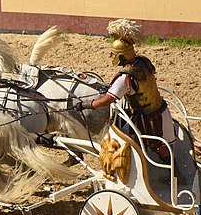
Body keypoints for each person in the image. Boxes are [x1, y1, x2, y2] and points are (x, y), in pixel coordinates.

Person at [75, 18, 176, 162]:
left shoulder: (125, 77)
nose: (112, 57)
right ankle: (175, 174)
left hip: (146, 119)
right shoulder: (143, 62)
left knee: (116, 143)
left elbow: (107, 101)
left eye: (114, 54)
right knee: (163, 150)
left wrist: (86, 104)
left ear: (121, 56)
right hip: (162, 111)